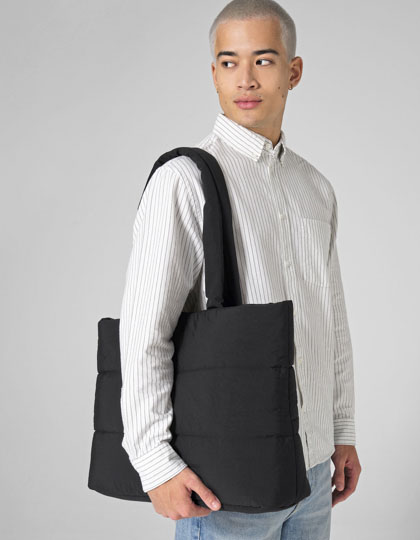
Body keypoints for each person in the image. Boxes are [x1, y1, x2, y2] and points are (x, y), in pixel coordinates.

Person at [119, 1, 362, 538]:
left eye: (264, 61)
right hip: (224, 477)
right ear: (213, 74)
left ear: (293, 72)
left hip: (313, 470)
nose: (245, 79)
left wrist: (341, 430)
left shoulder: (315, 188)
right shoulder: (184, 180)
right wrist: (154, 463)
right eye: (229, 62)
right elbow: (143, 331)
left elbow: (330, 321)